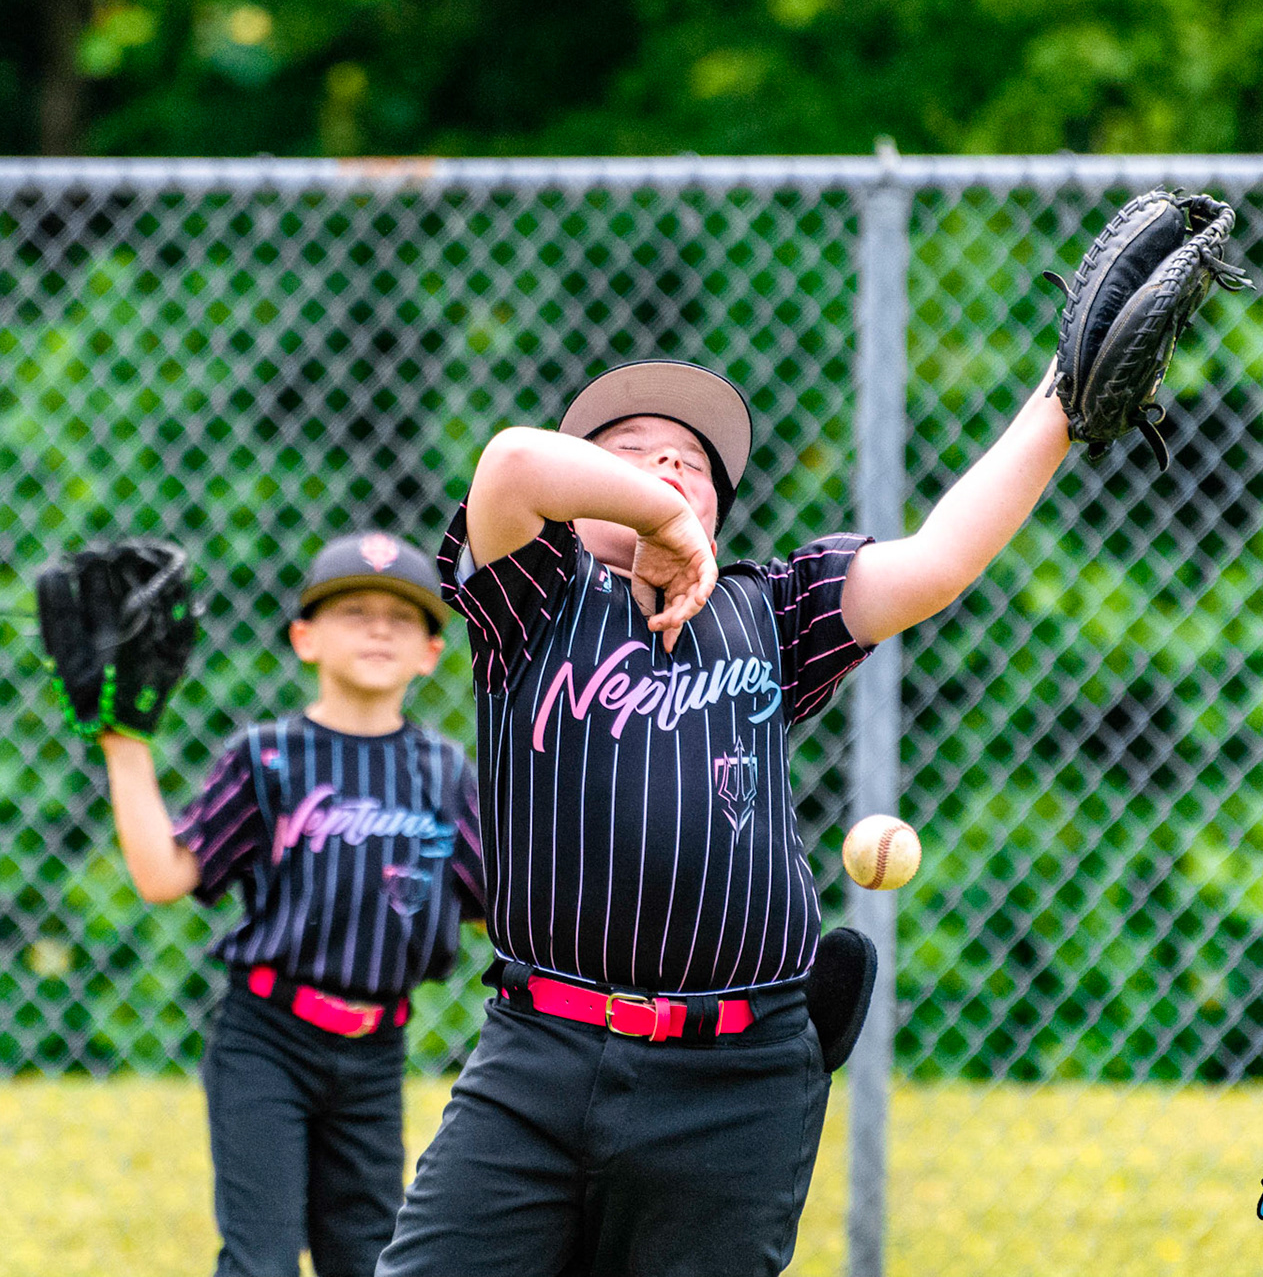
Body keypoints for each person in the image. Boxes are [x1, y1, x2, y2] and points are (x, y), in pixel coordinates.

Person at [376, 359, 1071, 1276]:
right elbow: (510, 464)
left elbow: (939, 560)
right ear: (580, 499)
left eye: (689, 464)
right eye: (627, 454)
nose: (664, 466)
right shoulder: (532, 600)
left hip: (736, 1083)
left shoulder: (770, 611)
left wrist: (1063, 402)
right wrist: (656, 516)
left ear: (720, 512)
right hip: (539, 1059)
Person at [98, 531, 486, 1277]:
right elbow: (165, 876)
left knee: (369, 1258)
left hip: (376, 1051)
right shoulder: (268, 757)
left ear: (433, 652)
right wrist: (125, 744)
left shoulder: (444, 772)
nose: (379, 627)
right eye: (353, 611)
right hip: (267, 1039)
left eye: (402, 617)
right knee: (261, 1261)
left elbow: (491, 909)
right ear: (304, 639)